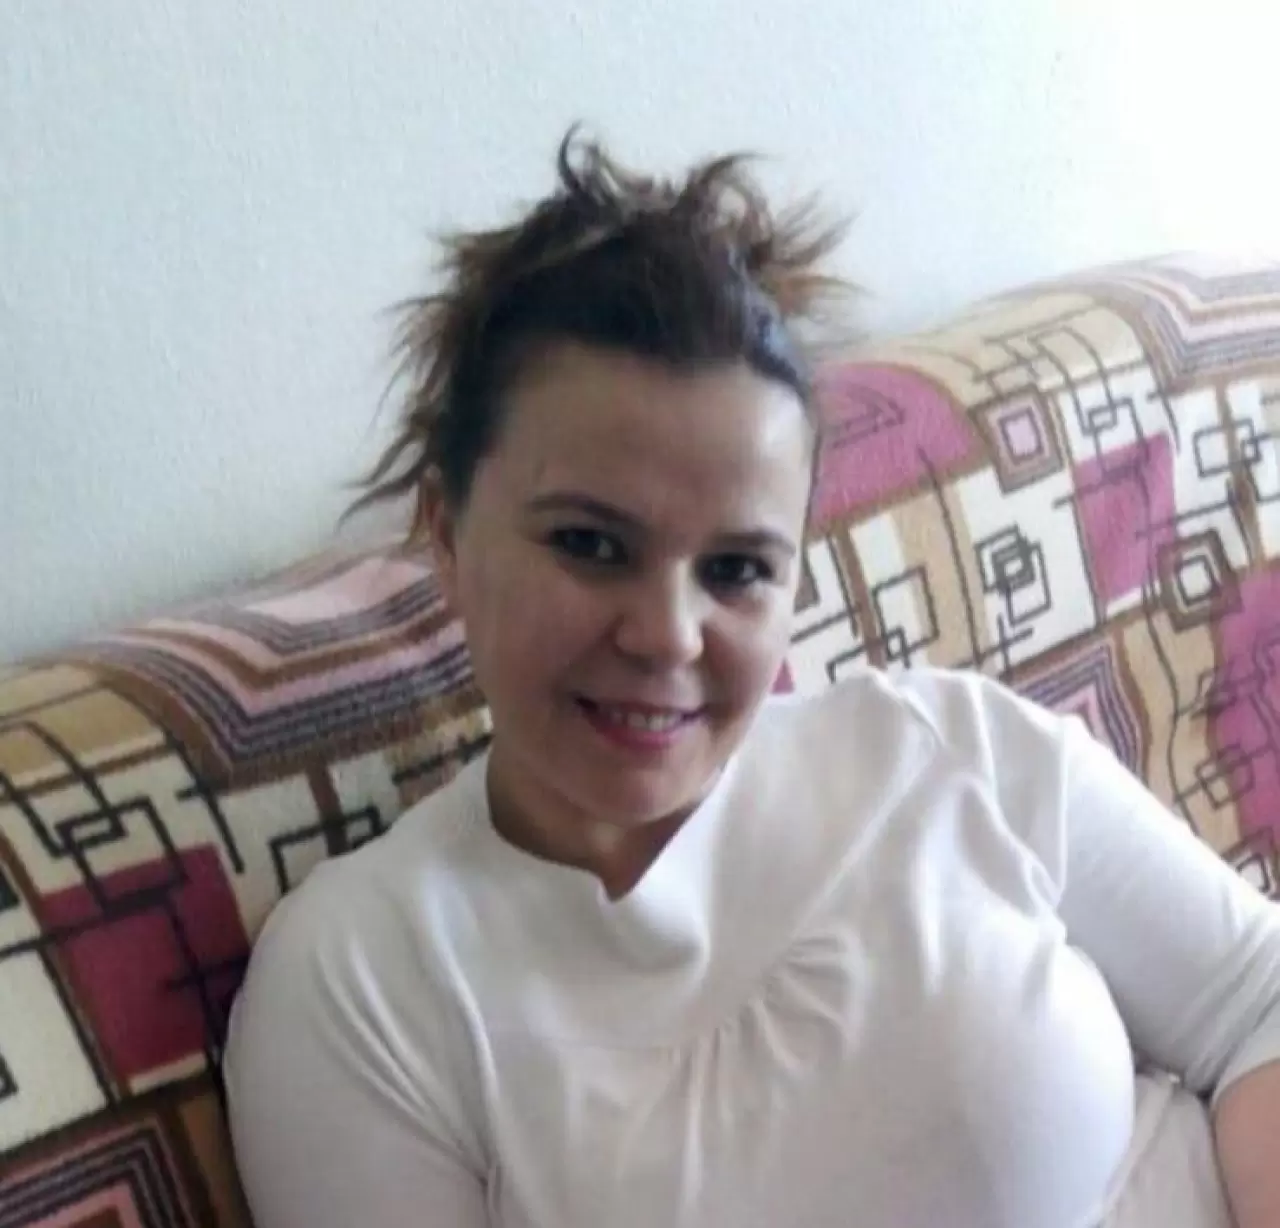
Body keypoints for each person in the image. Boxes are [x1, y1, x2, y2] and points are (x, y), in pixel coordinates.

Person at [223, 132, 1280, 1228]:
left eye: (735, 569)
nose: (667, 635)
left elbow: (1257, 998)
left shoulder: (944, 747)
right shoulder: (364, 983)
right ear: (445, 533)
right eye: (590, 544)